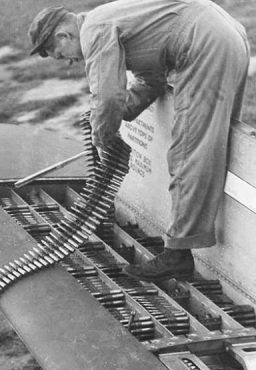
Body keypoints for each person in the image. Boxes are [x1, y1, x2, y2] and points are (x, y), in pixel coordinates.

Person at [28, 1, 250, 281]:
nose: (72, 62)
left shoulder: (93, 30)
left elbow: (107, 96)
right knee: (213, 144)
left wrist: (101, 136)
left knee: (188, 153)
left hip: (205, 42)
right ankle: (198, 239)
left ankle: (177, 255)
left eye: (62, 56)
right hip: (224, 33)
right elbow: (151, 81)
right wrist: (117, 115)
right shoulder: (110, 19)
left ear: (64, 35)